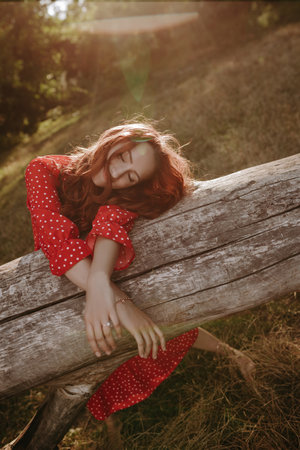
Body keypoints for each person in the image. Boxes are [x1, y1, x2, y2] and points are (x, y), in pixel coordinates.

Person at [25, 118, 255, 427]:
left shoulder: (121, 193)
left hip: (102, 274)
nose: (116, 173)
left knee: (156, 317)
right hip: (60, 278)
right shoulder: (43, 170)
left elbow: (109, 222)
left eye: (130, 176)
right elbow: (55, 239)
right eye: (121, 157)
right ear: (114, 138)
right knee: (94, 344)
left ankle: (231, 353)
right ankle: (95, 411)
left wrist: (102, 286)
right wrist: (114, 298)